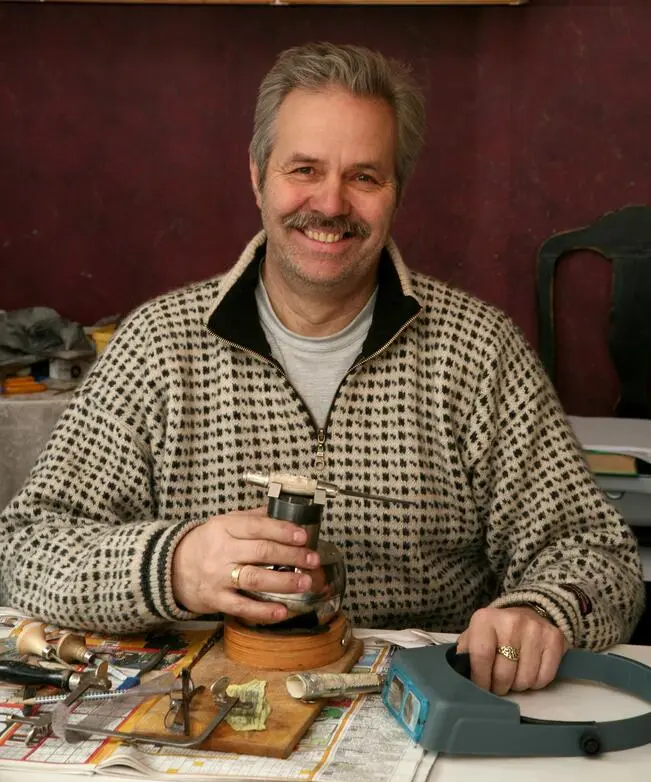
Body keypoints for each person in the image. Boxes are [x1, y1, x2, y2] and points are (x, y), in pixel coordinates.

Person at [0, 43, 644, 697]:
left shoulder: (478, 353)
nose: (330, 204)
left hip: (431, 716)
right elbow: (24, 549)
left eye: (363, 176)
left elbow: (597, 555)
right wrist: (175, 565)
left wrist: (536, 614)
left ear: (397, 191)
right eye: (303, 168)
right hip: (205, 719)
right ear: (257, 176)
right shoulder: (158, 347)